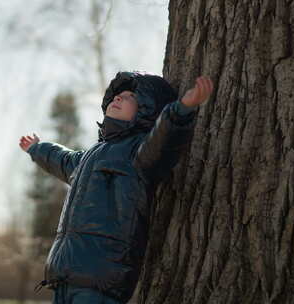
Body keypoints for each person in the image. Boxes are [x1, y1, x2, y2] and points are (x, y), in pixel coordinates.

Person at [19, 72, 214, 303]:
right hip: (65, 274)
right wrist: (37, 149)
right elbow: (62, 159)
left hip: (102, 277)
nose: (118, 99)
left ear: (146, 109)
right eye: (116, 96)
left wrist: (180, 110)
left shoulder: (138, 152)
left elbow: (164, 140)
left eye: (129, 96)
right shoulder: (91, 155)